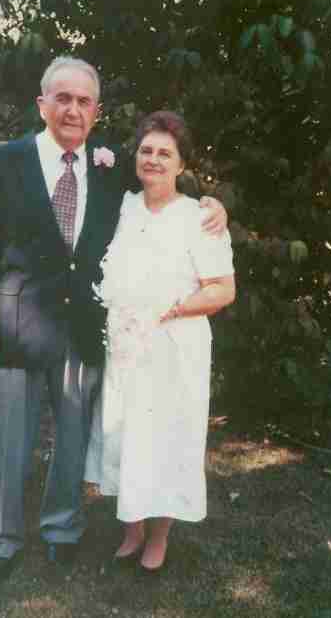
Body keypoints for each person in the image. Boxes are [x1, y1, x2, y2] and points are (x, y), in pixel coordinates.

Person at [0, 56, 228, 586]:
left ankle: (62, 529)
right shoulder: (3, 161)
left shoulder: (108, 169)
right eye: (62, 98)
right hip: (14, 327)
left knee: (72, 439)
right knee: (5, 443)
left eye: (84, 101)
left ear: (97, 111)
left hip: (80, 329)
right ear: (42, 103)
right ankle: (0, 541)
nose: (73, 110)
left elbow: (164, 188)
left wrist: (213, 203)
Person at [85, 110, 236, 572]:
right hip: (127, 347)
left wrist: (171, 308)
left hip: (174, 347)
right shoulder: (123, 206)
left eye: (164, 153)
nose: (153, 159)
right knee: (126, 434)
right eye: (146, 150)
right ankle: (131, 530)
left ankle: (159, 537)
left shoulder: (200, 218)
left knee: (168, 438)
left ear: (181, 163)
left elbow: (222, 290)